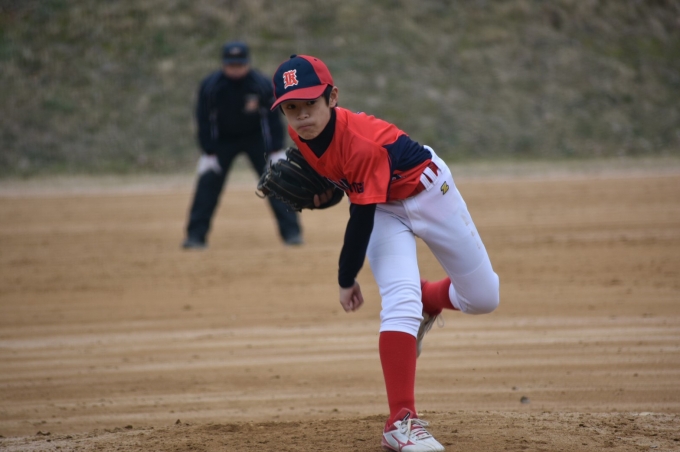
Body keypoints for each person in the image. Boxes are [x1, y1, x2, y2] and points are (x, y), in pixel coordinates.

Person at [270, 55, 500, 452]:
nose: (302, 115)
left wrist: (346, 278)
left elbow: (359, 218)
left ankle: (429, 297)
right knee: (400, 302)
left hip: (430, 193)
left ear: (332, 97)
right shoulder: (301, 136)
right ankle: (401, 422)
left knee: (483, 298)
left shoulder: (361, 143)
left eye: (310, 103)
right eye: (291, 107)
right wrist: (327, 193)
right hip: (383, 211)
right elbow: (345, 184)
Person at [182, 41, 303, 249]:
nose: (236, 69)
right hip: (222, 140)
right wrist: (208, 151)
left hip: (256, 138)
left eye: (240, 64)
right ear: (223, 64)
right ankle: (195, 236)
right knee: (208, 184)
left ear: (247, 63)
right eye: (231, 65)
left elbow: (272, 118)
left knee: (276, 181)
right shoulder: (211, 86)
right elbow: (204, 119)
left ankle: (292, 233)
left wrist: (275, 149)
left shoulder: (261, 84)